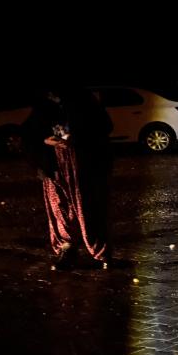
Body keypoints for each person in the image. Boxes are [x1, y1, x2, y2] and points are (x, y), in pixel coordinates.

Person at [22, 84, 114, 268]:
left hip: (83, 163)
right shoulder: (43, 104)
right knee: (60, 207)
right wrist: (45, 140)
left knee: (87, 206)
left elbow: (104, 126)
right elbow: (30, 133)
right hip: (54, 164)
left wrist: (78, 137)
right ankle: (67, 249)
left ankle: (101, 251)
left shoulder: (84, 99)